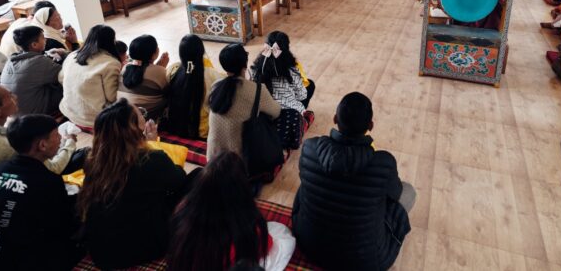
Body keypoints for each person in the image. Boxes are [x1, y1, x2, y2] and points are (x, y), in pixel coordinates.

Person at [293, 92, 414, 270]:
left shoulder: (310, 148)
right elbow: (395, 195)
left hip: (310, 245)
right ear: (370, 125)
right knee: (408, 191)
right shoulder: (383, 163)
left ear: (335, 119)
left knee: (306, 185)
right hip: (365, 261)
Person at [79, 99, 187, 269]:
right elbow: (179, 180)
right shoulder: (152, 159)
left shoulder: (94, 159)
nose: (144, 115)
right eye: (139, 113)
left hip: (100, 253)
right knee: (195, 179)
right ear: (135, 128)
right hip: (142, 250)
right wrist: (153, 144)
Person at [0, 115, 82, 270]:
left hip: (2, 250)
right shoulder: (47, 181)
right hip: (28, 259)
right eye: (57, 135)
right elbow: (63, 224)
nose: (60, 139)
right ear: (42, 145)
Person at [167, 152, 279, 271]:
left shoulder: (182, 210)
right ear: (242, 189)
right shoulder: (247, 230)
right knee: (283, 237)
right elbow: (267, 244)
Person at [207, 43, 281, 160]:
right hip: (241, 162)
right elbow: (276, 112)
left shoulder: (216, 86)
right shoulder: (257, 89)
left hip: (213, 158)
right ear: (245, 63)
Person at [250, 31, 314, 149]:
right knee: (310, 85)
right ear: (287, 48)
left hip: (265, 112)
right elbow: (301, 96)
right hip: (289, 113)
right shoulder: (291, 69)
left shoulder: (257, 69)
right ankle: (302, 115)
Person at [0, 85, 80, 173]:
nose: (15, 97)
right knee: (84, 155)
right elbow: (53, 168)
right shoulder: (5, 145)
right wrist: (70, 143)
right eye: (10, 96)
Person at [59, 24, 122, 127]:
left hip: (70, 110)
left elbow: (60, 78)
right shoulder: (110, 63)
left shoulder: (72, 55)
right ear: (111, 41)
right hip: (94, 117)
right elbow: (112, 97)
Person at [166, 34, 221, 139]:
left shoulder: (174, 70)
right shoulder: (213, 75)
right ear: (201, 51)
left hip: (177, 127)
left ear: (181, 53)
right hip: (202, 131)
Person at [0, 25, 63, 115]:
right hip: (34, 113)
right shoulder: (40, 61)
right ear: (34, 44)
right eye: (43, 38)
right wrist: (64, 54)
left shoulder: (11, 60)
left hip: (15, 112)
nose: (46, 40)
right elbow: (65, 73)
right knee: (66, 84)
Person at [118, 35, 170, 118]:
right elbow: (167, 92)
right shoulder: (160, 71)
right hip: (146, 117)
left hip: (122, 114)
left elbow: (143, 71)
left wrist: (157, 67)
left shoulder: (125, 67)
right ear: (154, 54)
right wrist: (162, 68)